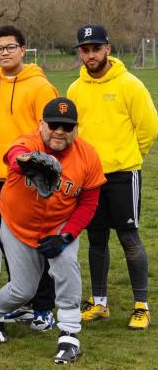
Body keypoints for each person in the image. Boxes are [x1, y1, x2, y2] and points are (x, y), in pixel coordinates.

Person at [0, 98, 105, 364]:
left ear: (76, 129)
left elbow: (89, 203)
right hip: (17, 224)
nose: (59, 131)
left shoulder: (88, 156)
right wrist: (25, 161)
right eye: (54, 125)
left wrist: (67, 235)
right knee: (23, 289)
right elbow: (13, 153)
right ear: (41, 124)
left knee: (66, 266)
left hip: (60, 223)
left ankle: (70, 336)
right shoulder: (30, 142)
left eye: (67, 126)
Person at [67, 24, 158, 330]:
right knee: (96, 240)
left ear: (108, 49)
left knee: (129, 238)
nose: (90, 54)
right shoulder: (75, 89)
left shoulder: (129, 84)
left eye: (96, 48)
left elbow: (148, 127)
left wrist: (129, 157)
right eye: (85, 49)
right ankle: (100, 303)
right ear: (80, 52)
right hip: (91, 178)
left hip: (123, 174)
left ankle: (141, 307)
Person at [0, 24, 58, 330]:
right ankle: (20, 300)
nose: (5, 53)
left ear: (23, 49)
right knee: (9, 244)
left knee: (38, 243)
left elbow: (49, 134)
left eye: (11, 47)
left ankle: (44, 307)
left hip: (29, 180)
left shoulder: (41, 87)